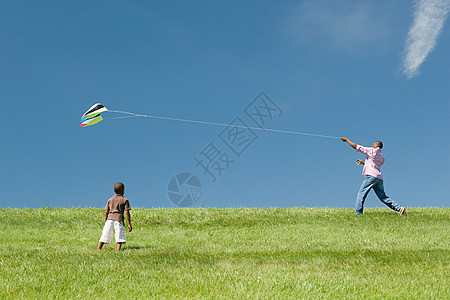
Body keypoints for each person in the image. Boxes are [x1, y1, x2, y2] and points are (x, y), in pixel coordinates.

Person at [341, 137, 405, 215]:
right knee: (383, 196)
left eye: (373, 144)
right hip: (379, 178)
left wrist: (347, 140)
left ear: (376, 146)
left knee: (361, 194)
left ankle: (358, 213)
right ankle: (399, 208)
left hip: (371, 176)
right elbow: (374, 165)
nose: (372, 145)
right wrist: (364, 163)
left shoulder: (371, 150)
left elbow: (355, 146)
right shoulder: (382, 157)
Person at [97, 182, 132, 250]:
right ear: (123, 190)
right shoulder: (125, 200)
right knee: (119, 236)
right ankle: (118, 250)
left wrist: (106, 221)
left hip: (109, 220)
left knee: (104, 235)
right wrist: (129, 224)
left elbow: (106, 212)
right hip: (118, 220)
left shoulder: (110, 200)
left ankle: (98, 249)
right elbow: (127, 212)